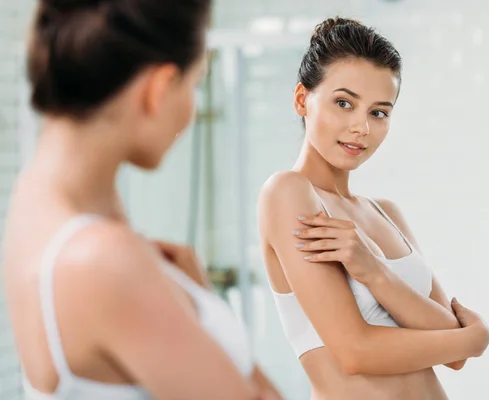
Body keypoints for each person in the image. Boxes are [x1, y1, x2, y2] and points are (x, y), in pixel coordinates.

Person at [2, 0, 281, 399]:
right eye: (195, 83)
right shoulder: (100, 258)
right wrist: (205, 310)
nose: (191, 108)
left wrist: (186, 293)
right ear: (158, 88)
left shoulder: (45, 198)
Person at [258, 17, 489, 400]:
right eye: (344, 103)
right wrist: (474, 339)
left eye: (378, 112)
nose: (361, 127)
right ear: (302, 99)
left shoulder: (386, 214)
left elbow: (451, 342)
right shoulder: (289, 192)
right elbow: (355, 352)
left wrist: (374, 271)